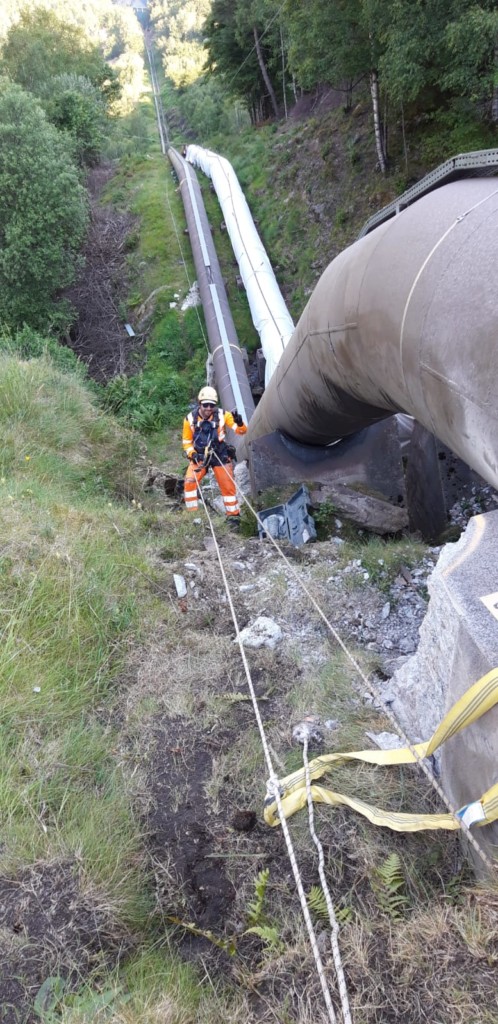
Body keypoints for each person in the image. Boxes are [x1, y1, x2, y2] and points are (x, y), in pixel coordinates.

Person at [182, 386, 247, 525]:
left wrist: (240, 423)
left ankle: (234, 517)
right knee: (189, 482)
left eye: (211, 405)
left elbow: (241, 431)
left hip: (219, 453)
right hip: (199, 455)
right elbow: (186, 442)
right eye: (205, 404)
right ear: (199, 403)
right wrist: (192, 453)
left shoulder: (224, 415)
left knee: (227, 485)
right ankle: (193, 516)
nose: (208, 408)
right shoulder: (189, 419)